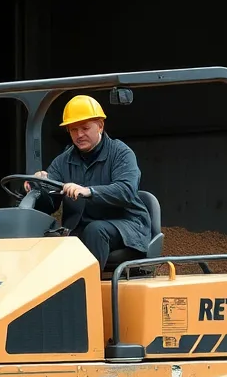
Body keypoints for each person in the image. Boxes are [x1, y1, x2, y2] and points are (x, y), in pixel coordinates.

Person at [31, 94, 151, 269]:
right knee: (50, 238)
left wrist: (89, 191)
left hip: (126, 226)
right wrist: (38, 186)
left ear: (100, 125)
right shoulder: (63, 161)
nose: (79, 135)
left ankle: (88, 292)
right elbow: (49, 202)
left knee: (95, 230)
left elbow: (126, 190)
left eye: (85, 128)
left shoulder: (121, 153)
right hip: (81, 229)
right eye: (73, 130)